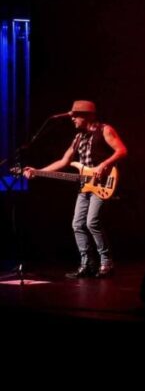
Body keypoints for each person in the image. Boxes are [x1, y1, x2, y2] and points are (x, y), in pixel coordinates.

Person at [23, 100, 127, 278]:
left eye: (76, 116)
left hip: (103, 183)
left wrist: (104, 164)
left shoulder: (105, 130)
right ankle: (87, 265)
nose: (73, 119)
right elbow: (64, 161)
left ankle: (106, 263)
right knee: (77, 224)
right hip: (84, 186)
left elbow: (122, 150)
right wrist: (38, 171)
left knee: (92, 222)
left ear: (88, 116)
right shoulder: (78, 138)